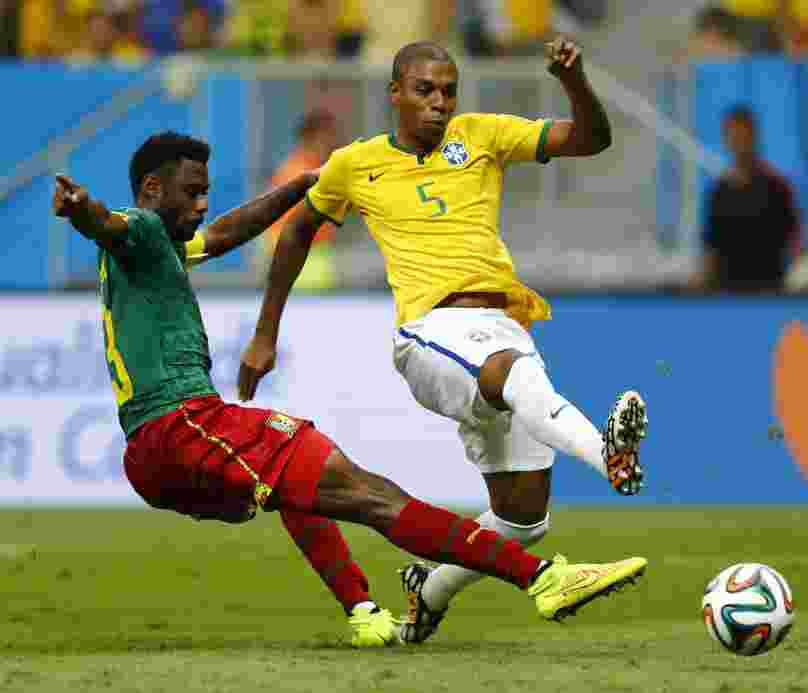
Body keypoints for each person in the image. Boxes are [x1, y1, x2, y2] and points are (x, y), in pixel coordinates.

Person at [50, 132, 648, 649]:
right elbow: (109, 223)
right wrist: (83, 211)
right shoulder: (142, 227)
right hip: (183, 423)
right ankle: (541, 578)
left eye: (206, 192)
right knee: (369, 492)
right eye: (192, 193)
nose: (203, 205)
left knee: (300, 488)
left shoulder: (160, 246)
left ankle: (363, 611)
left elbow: (231, 231)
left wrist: (307, 185)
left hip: (151, 456)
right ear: (152, 189)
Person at [238, 38, 649, 644]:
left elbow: (592, 140)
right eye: (426, 90)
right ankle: (608, 456)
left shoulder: (481, 135)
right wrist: (265, 332)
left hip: (502, 325)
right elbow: (296, 232)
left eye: (449, 91)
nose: (439, 103)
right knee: (512, 372)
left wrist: (576, 81)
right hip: (431, 332)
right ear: (395, 93)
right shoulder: (356, 163)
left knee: (522, 516)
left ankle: (425, 593)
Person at [697, 105, 800, 292]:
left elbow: (794, 241)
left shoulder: (777, 188)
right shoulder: (718, 192)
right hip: (727, 292)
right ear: (725, 140)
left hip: (768, 290)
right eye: (733, 136)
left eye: (744, 135)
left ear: (755, 137)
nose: (739, 142)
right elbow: (710, 248)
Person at [263, 109, 340, 291]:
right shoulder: (296, 173)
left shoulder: (317, 170)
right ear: (311, 138)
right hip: (302, 263)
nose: (332, 144)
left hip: (314, 260)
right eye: (326, 137)